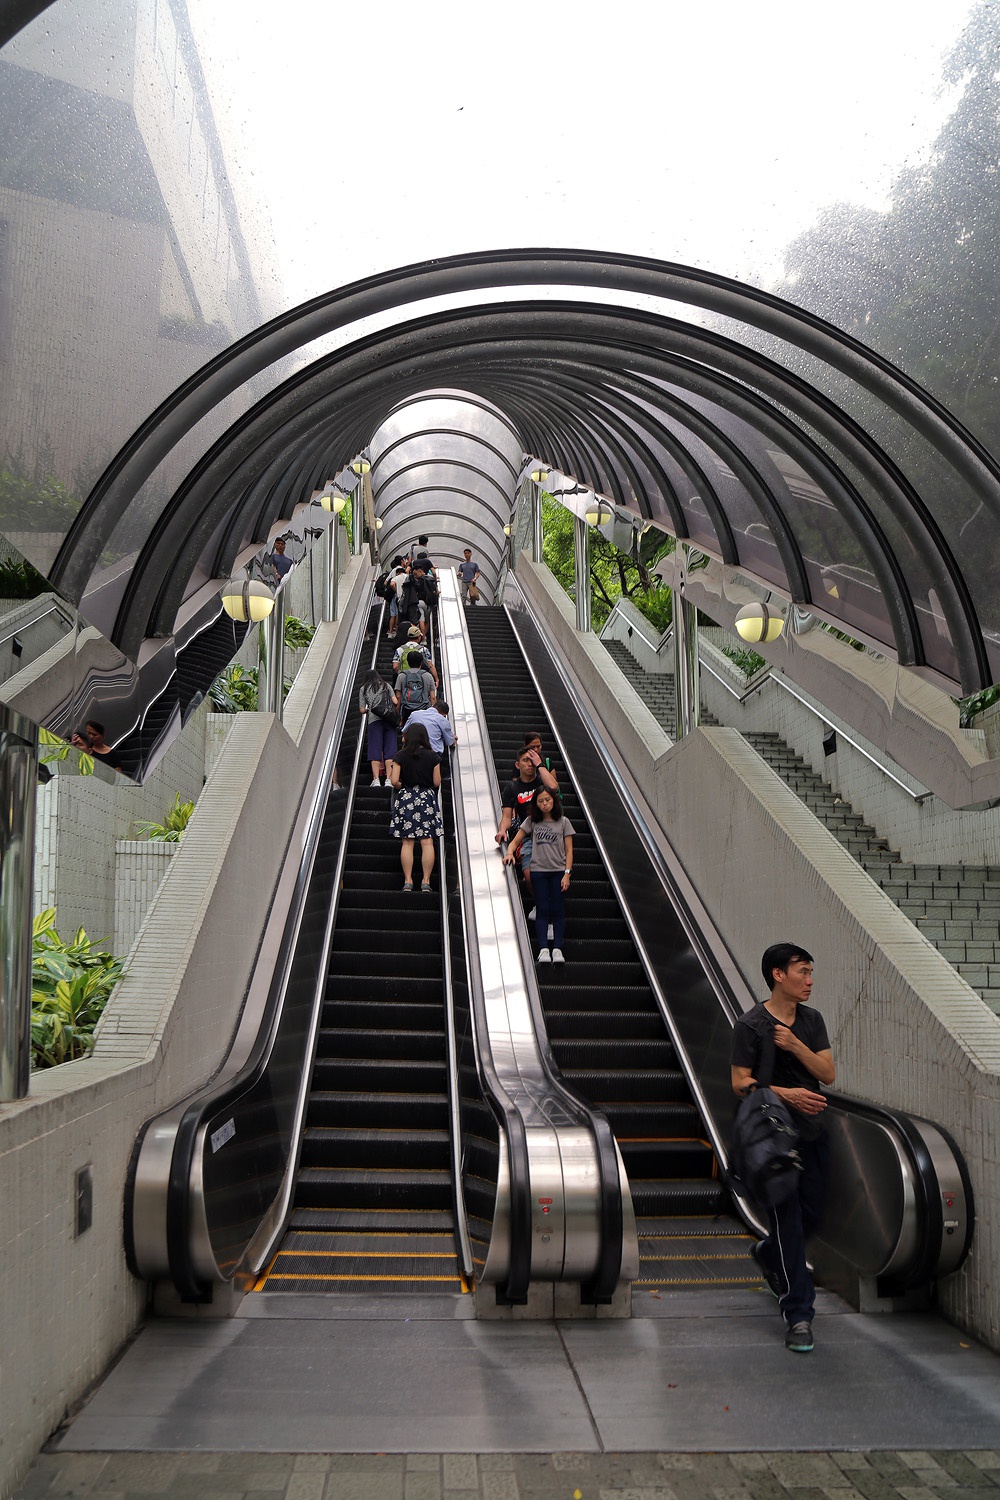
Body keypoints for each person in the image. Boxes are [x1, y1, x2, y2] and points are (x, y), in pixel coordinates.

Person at [730, 943, 835, 1355]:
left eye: (810, 973)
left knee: (813, 1217)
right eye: (802, 972)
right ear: (778, 975)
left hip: (812, 1134)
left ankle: (766, 1252)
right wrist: (787, 1094)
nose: (809, 981)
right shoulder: (751, 1025)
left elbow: (827, 1071)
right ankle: (799, 1315)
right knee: (789, 1222)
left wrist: (795, 1047)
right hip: (771, 1140)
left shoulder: (812, 1021)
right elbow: (740, 1082)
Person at [503, 785, 574, 963]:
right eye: (540, 801)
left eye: (547, 800)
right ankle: (543, 949)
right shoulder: (531, 821)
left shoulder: (564, 822)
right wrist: (510, 852)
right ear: (536, 803)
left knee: (557, 910)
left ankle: (557, 948)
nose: (544, 804)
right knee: (542, 910)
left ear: (554, 801)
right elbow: (515, 840)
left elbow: (569, 850)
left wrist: (567, 873)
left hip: (558, 871)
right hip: (538, 871)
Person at [388, 721, 442, 893]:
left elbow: (394, 781)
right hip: (426, 798)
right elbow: (436, 782)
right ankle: (426, 881)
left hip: (406, 797)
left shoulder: (400, 756)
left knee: (407, 842)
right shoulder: (433, 757)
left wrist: (405, 784)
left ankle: (408, 881)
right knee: (427, 842)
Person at [496, 748, 545, 894]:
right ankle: (539, 904)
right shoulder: (512, 788)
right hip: (528, 835)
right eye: (526, 760)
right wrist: (502, 830)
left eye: (532, 760)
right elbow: (506, 816)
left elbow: (554, 787)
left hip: (549, 833)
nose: (530, 764)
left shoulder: (542, 781)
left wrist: (540, 765)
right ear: (517, 765)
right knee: (528, 874)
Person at [358, 668, 398, 788]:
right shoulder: (386, 685)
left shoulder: (363, 688)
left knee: (375, 749)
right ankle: (389, 780)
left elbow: (361, 709)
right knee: (390, 750)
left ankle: (376, 780)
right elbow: (395, 701)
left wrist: (369, 709)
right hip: (389, 720)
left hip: (374, 721)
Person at [395, 649, 436, 725]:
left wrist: (399, 715)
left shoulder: (401, 676)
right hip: (424, 709)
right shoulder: (428, 676)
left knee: (407, 733)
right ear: (421, 663)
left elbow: (398, 697)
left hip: (406, 710)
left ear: (408, 662)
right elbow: (432, 697)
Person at [385, 556, 409, 639]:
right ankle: (397, 631)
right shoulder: (402, 573)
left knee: (393, 614)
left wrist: (394, 590)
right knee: (399, 614)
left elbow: (386, 583)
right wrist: (397, 591)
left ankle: (391, 632)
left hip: (393, 596)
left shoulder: (393, 571)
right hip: (401, 597)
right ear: (402, 561)